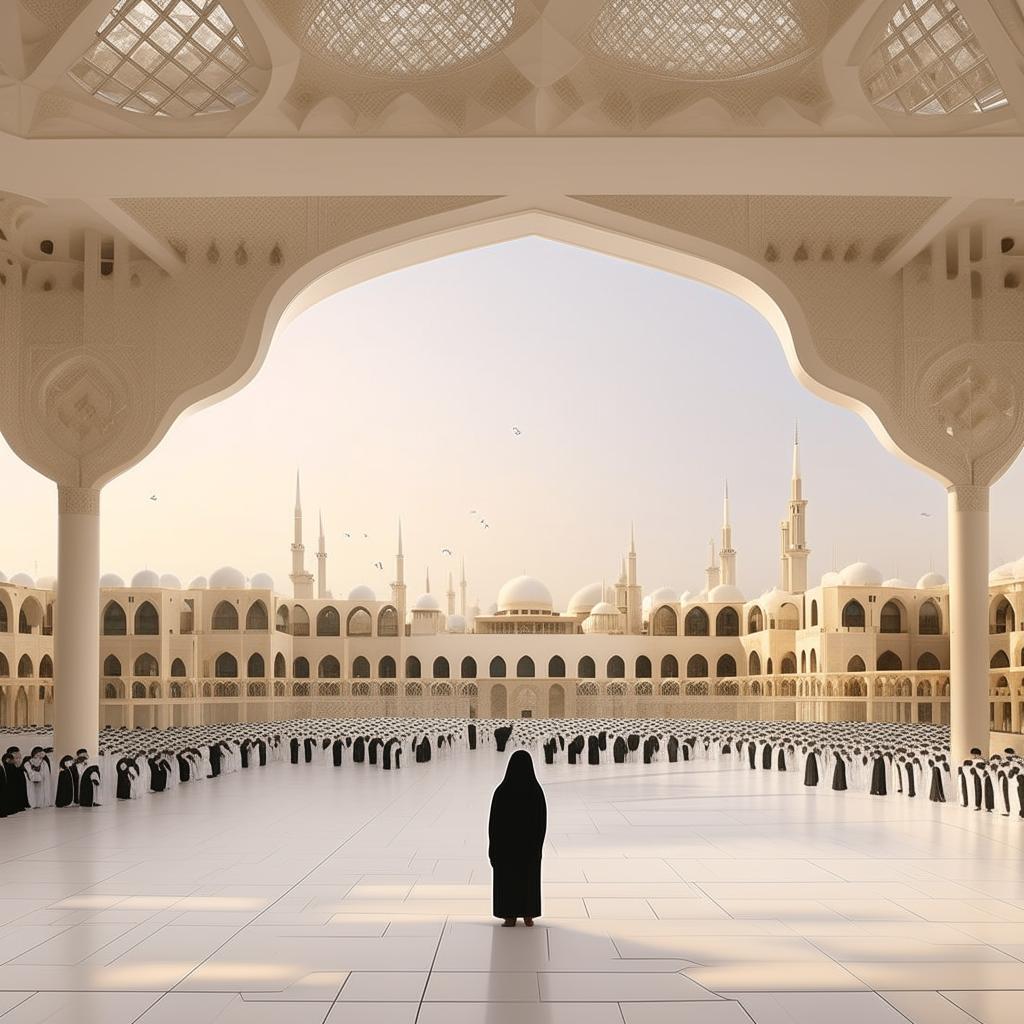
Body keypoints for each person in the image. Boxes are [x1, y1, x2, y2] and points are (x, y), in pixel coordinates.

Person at [487, 750, 546, 928]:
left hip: (506, 848)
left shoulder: (502, 791)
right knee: (529, 880)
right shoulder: (536, 791)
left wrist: (493, 847)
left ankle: (509, 915)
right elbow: (542, 822)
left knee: (508, 880)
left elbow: (493, 824)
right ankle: (528, 914)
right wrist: (538, 845)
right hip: (529, 848)